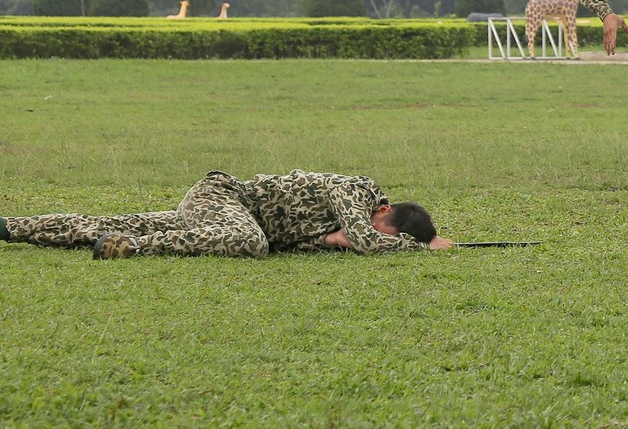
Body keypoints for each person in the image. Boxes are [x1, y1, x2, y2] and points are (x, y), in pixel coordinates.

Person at [0, 169, 455, 259]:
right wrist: (428, 247)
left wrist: (327, 240)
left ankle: (13, 227)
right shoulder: (354, 190)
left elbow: (348, 237)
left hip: (221, 214)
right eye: (376, 227)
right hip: (225, 198)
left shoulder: (347, 222)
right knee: (251, 243)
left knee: (109, 220)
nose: (358, 234)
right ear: (384, 209)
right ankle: (135, 249)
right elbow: (370, 239)